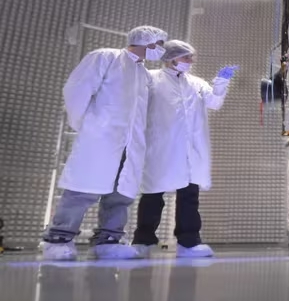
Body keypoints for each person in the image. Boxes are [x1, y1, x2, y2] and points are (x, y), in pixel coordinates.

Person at [41, 25, 168, 261]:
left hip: (131, 144)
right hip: (101, 139)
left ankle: (108, 241)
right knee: (82, 190)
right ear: (146, 41)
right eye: (159, 44)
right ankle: (58, 238)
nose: (161, 49)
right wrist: (87, 125)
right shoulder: (106, 57)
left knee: (121, 195)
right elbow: (77, 90)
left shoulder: (144, 75)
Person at [131, 40, 236, 258]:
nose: (190, 61)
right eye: (186, 57)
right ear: (171, 57)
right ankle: (143, 240)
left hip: (190, 149)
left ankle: (188, 242)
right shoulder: (151, 79)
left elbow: (214, 103)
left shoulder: (196, 83)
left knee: (189, 195)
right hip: (160, 146)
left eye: (191, 57)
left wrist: (221, 83)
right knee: (152, 194)